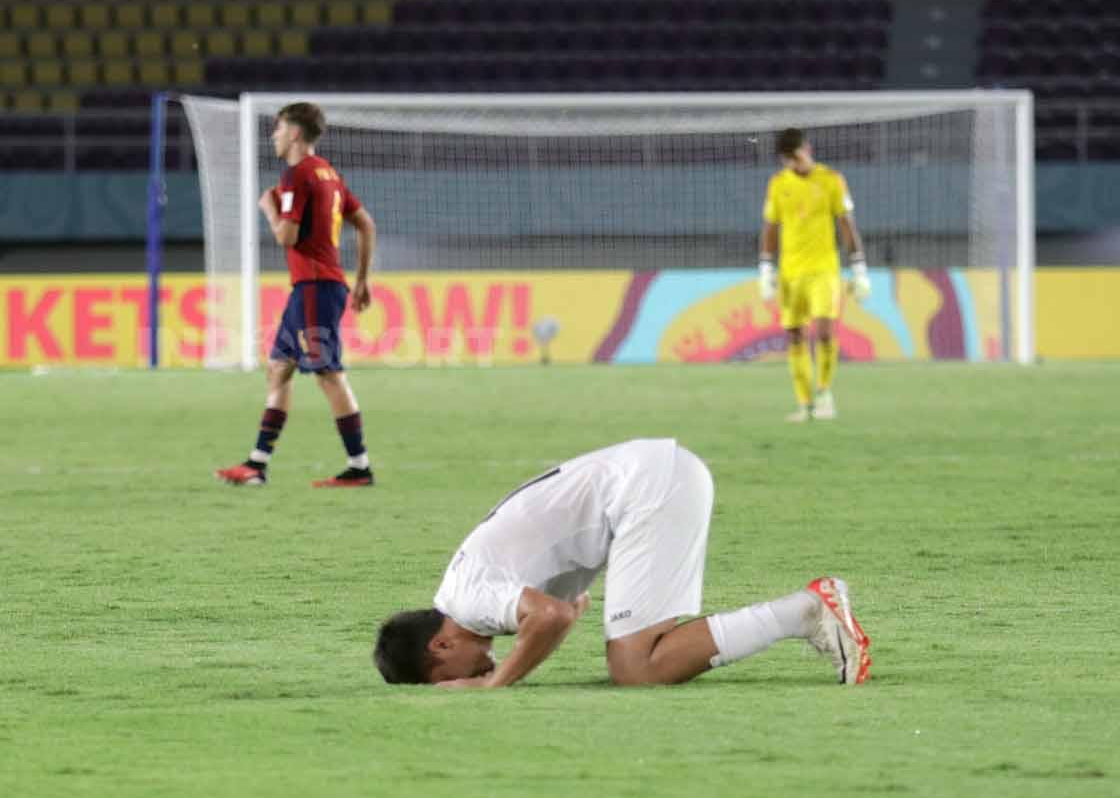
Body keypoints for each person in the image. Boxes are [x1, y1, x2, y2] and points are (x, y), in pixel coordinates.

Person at [373, 439, 871, 688]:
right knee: (632, 659)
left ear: (441, 645)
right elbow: (571, 606)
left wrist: (495, 681)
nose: (467, 676)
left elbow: (554, 616)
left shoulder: (467, 599)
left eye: (448, 677)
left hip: (648, 490)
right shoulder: (466, 590)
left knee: (636, 668)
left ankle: (808, 610)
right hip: (654, 477)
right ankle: (806, 612)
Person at [215, 102, 378, 488]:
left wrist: (269, 208)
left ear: (294, 133)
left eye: (278, 128)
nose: (273, 135)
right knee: (279, 367)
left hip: (315, 288)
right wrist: (361, 280)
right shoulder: (328, 173)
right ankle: (257, 463)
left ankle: (359, 467)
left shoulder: (298, 175)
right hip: (315, 287)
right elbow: (365, 224)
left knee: (328, 374)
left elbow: (286, 236)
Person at [758, 129, 871, 423]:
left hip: (824, 270)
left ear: (807, 148)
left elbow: (846, 223)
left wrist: (858, 267)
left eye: (797, 156)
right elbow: (771, 227)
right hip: (790, 273)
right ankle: (803, 403)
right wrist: (766, 268)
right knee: (794, 337)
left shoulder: (832, 179)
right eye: (788, 160)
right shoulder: (778, 184)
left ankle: (824, 393)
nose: (794, 164)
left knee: (823, 332)